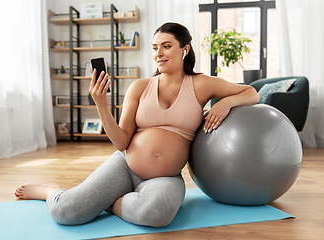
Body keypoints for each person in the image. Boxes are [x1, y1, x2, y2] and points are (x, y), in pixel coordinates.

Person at [14, 22, 259, 227]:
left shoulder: (202, 84)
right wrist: (101, 104)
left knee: (157, 215)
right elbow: (121, 140)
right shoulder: (140, 87)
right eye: (155, 48)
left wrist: (225, 104)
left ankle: (109, 202)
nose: (158, 54)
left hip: (166, 177)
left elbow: (251, 93)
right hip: (124, 166)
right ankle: (48, 191)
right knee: (64, 212)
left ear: (185, 50)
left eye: (166, 46)